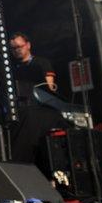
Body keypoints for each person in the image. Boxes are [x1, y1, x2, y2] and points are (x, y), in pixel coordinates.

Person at [8, 32, 67, 172]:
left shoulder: (41, 63)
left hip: (42, 108)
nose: (17, 50)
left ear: (28, 45)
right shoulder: (12, 69)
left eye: (19, 46)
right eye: (13, 48)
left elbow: (49, 87)